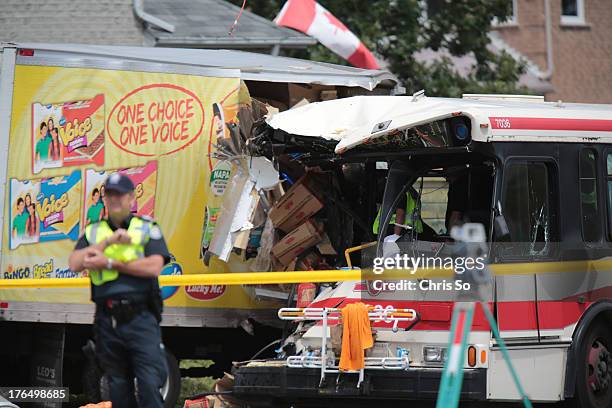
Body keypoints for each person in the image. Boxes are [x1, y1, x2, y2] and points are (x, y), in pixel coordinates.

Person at [69, 173, 170, 408]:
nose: (114, 199)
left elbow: (154, 266)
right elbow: (74, 264)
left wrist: (110, 263)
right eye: (110, 194)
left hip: (140, 318)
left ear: (132, 199)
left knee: (147, 385)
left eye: (120, 194)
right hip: (107, 319)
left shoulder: (146, 228)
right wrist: (107, 243)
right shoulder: (94, 233)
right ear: (104, 199)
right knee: (118, 387)